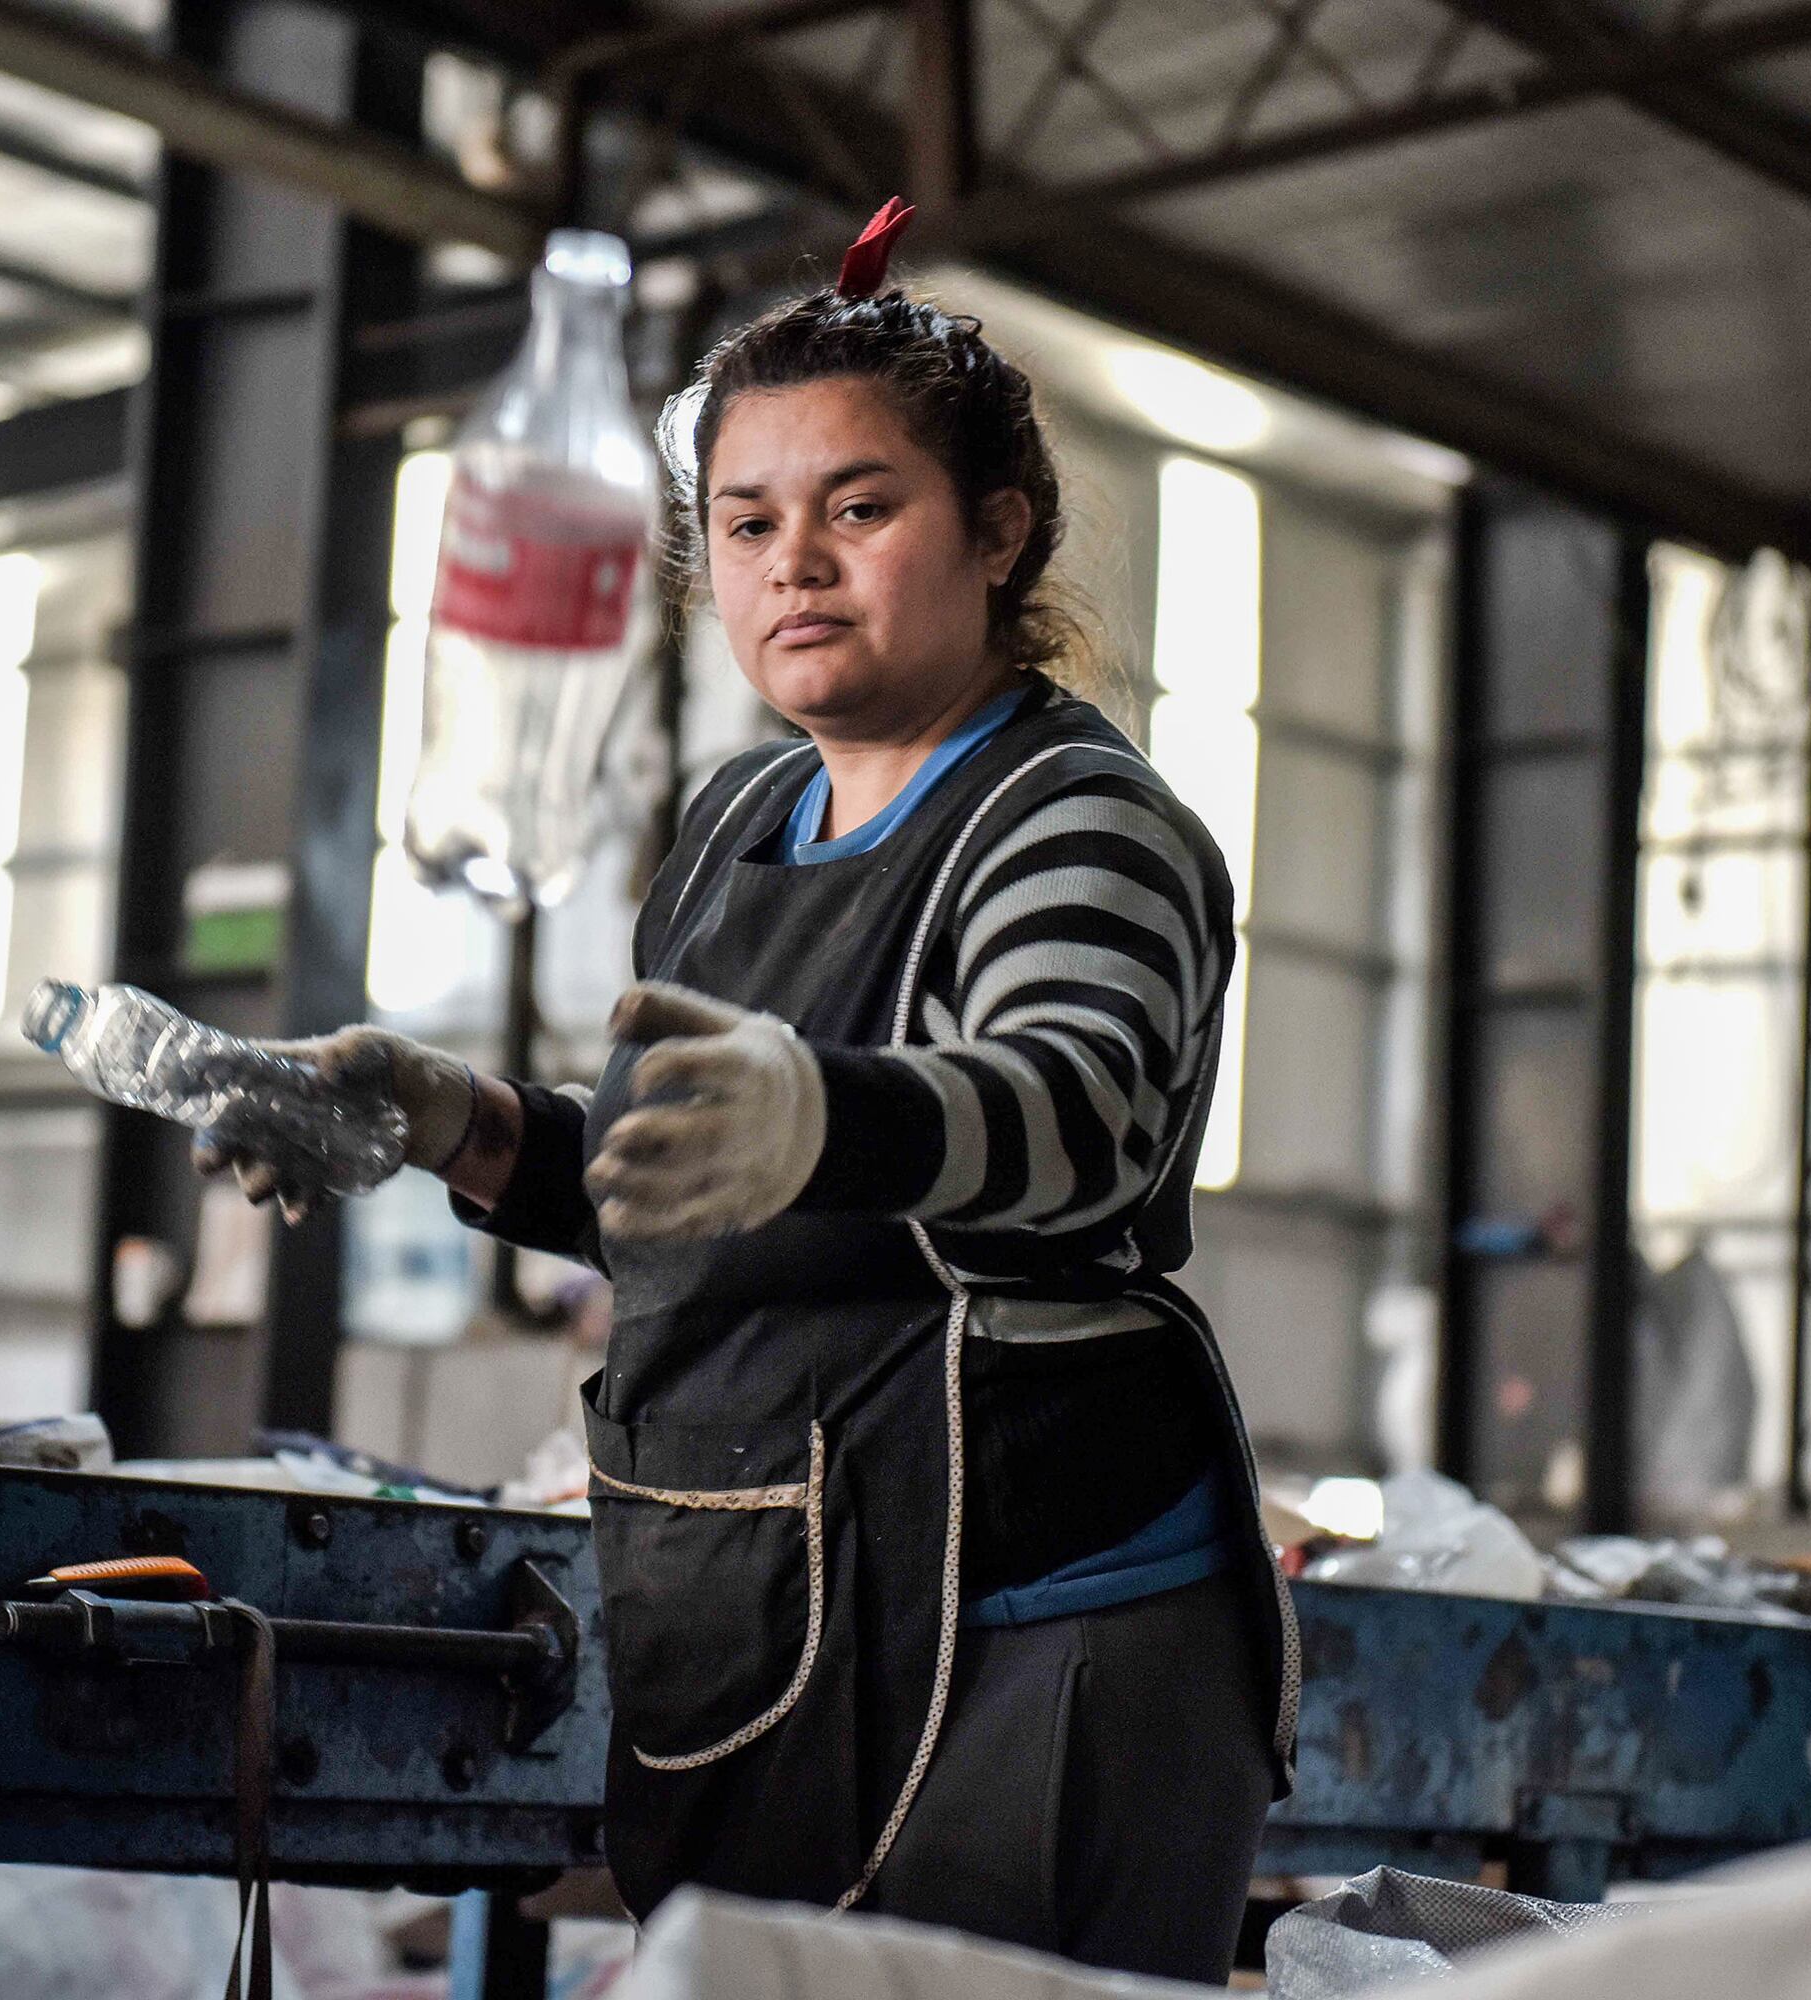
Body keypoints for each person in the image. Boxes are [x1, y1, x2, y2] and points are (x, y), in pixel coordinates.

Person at [200, 205, 1297, 1979]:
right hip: (781, 1589)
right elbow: (681, 1183)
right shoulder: (730, 824)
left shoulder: (1068, 818)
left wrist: (833, 1118)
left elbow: (1078, 1116)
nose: (797, 563)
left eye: (861, 508)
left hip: (1033, 1627)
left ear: (998, 532)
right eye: (747, 521)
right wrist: (460, 1126)